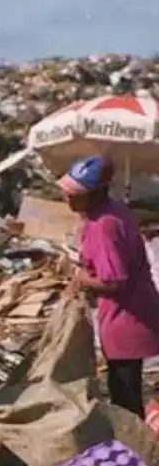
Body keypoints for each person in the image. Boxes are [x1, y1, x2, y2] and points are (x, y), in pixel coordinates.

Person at [61, 155, 159, 418]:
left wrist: (80, 277)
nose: (67, 199)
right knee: (127, 386)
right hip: (137, 310)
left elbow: (114, 279)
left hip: (125, 319)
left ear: (93, 194)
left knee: (124, 396)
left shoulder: (102, 226)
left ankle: (136, 453)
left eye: (74, 194)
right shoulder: (114, 211)